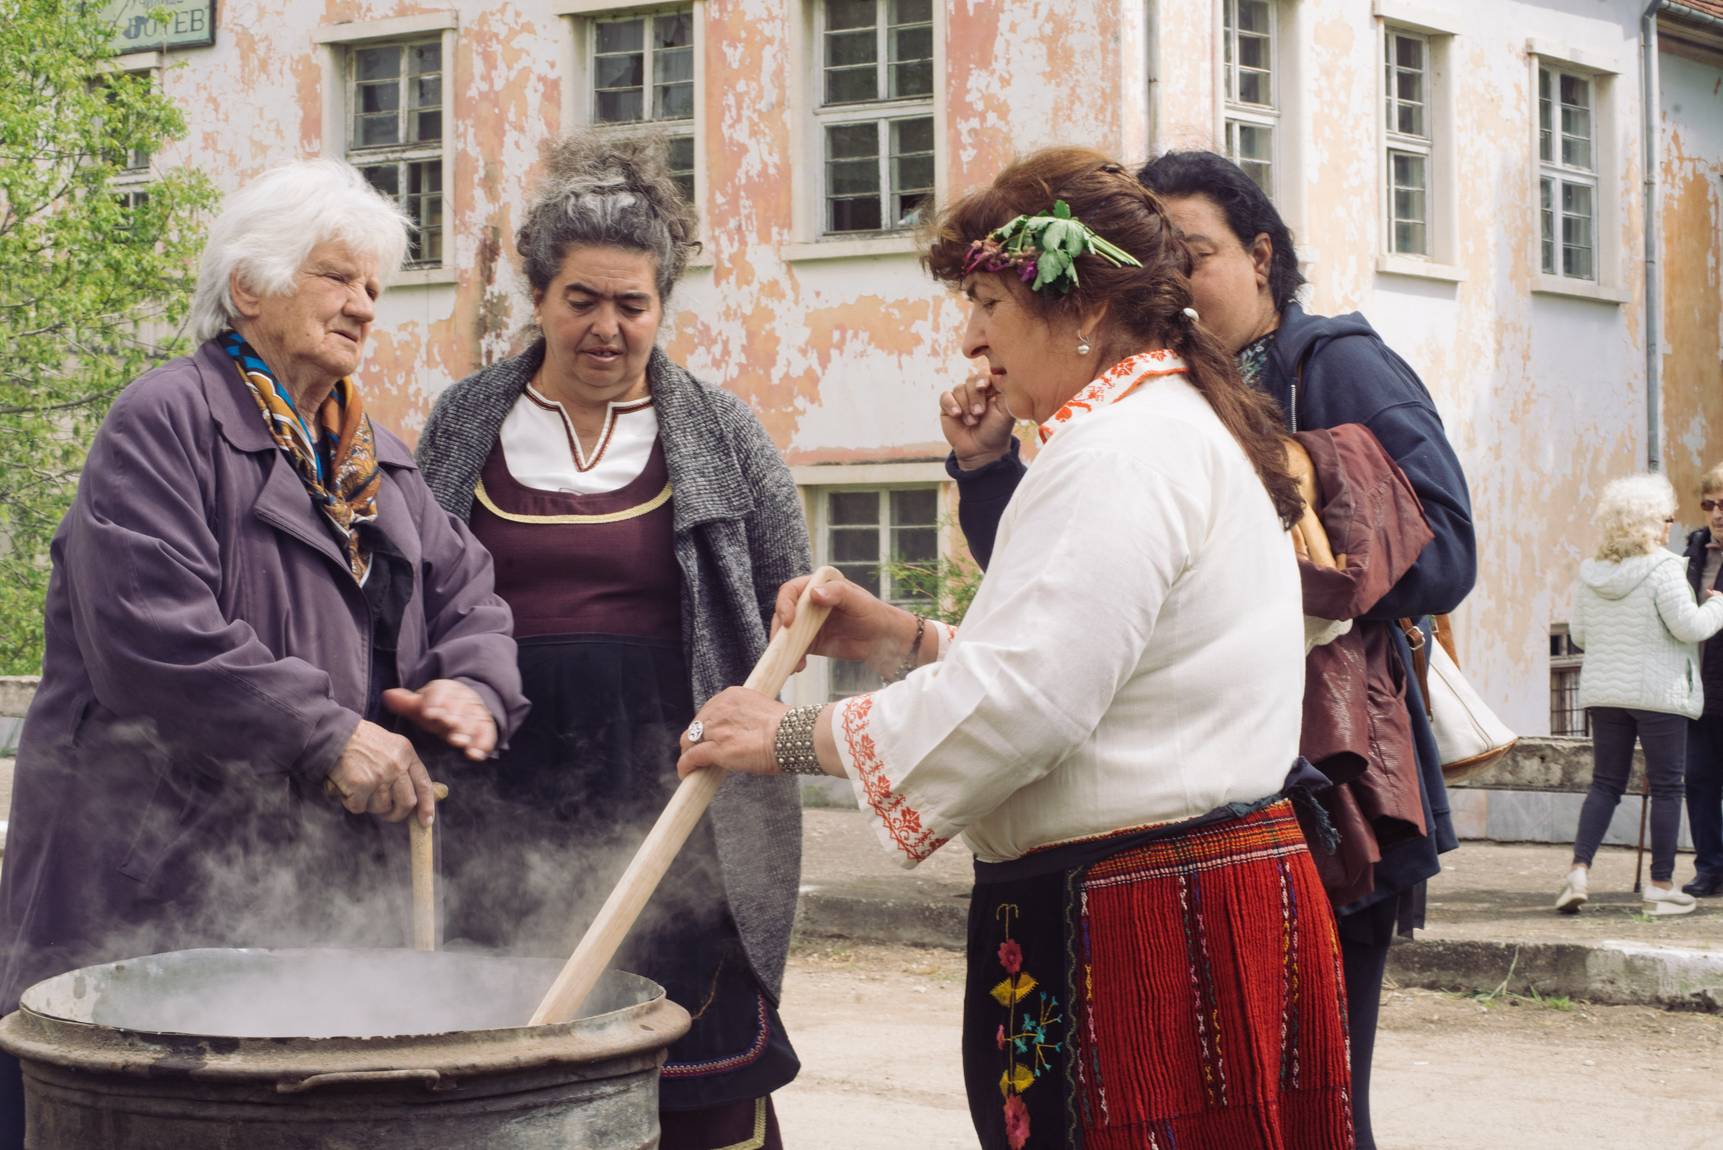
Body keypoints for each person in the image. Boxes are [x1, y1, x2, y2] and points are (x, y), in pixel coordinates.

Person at [678, 147, 1354, 1150]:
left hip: (1143, 928)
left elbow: (1028, 702)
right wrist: (904, 639)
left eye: (987, 300)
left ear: (1082, 309)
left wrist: (788, 734)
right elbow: (1109, 668)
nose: (968, 337)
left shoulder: (1119, 451)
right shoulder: (1150, 426)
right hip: (1181, 900)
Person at [939, 149, 1475, 1150]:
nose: (1171, 284)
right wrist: (983, 472)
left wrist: (1282, 557)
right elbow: (1072, 607)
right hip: (1219, 775)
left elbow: (1448, 544)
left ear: (1260, 255)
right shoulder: (1143, 405)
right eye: (1158, 259)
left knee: (1312, 1095)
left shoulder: (1334, 363)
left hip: (1329, 770)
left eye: (1192, 255)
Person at [0, 160, 528, 1146]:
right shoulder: (165, 422)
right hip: (151, 882)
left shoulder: (381, 462)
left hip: (303, 890)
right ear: (251, 287)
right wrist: (326, 732)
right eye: (338, 277)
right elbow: (149, 633)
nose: (365, 307)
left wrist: (473, 686)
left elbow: (472, 595)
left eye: (373, 285)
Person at [414, 133, 809, 1150]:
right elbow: (411, 604)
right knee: (512, 1060)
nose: (606, 326)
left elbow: (790, 607)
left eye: (631, 304)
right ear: (540, 297)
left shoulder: (723, 434)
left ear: (661, 309)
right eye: (581, 299)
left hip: (673, 802)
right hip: (502, 796)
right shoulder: (464, 422)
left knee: (691, 1070)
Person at [1559, 474, 1723, 918]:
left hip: (1606, 692)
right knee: (1669, 787)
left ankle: (1578, 872)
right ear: (1649, 523)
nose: (1672, 526)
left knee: (1605, 784)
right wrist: (1718, 603)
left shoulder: (1592, 571)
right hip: (1659, 693)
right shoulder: (1665, 567)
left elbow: (1579, 635)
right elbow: (1689, 627)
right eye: (1666, 518)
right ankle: (1660, 886)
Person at [1681, 465, 1723, 898]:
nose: (1716, 513)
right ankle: (1710, 867)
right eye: (1709, 504)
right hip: (1699, 691)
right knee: (1699, 780)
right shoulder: (1695, 551)